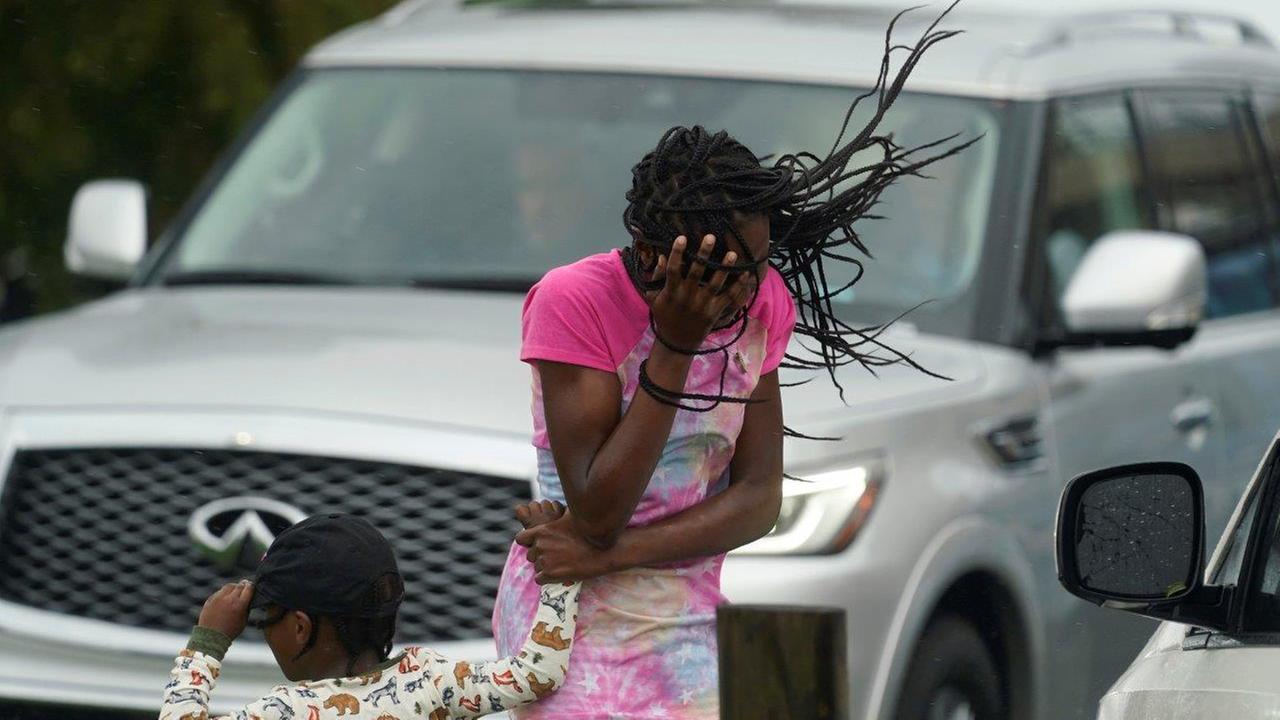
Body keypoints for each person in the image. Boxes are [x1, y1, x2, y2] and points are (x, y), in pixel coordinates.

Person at [492, 5, 974, 718]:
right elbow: (596, 510)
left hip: (682, 622)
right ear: (660, 256)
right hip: (571, 625)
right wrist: (676, 345)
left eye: (760, 265)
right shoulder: (576, 302)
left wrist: (615, 555)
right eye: (731, 269)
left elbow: (756, 500)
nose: (752, 288)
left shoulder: (763, 304)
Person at [161, 503, 579, 720]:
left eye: (266, 617)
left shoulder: (285, 711)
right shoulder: (431, 682)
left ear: (301, 628)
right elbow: (539, 672)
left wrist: (208, 644)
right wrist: (561, 566)